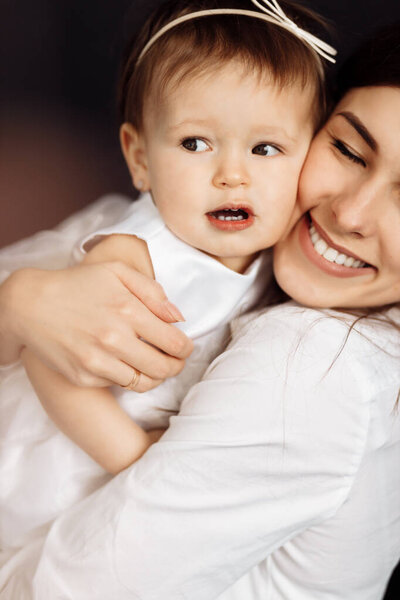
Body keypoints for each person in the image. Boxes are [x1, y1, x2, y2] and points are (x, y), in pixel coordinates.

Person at [1, 17, 400, 600]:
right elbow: (60, 343)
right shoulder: (165, 242)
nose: (350, 214)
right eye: (346, 149)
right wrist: (20, 303)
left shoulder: (320, 360)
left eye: (265, 148)